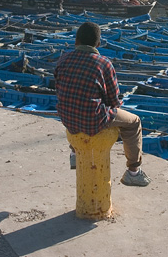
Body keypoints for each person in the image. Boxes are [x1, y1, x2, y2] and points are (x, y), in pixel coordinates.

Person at [54, 22, 151, 187]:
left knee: (73, 104)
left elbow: (59, 89)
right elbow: (113, 101)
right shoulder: (104, 63)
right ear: (98, 44)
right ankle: (133, 172)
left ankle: (74, 153)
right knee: (134, 122)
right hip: (92, 120)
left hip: (66, 117)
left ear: (76, 41)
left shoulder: (63, 59)